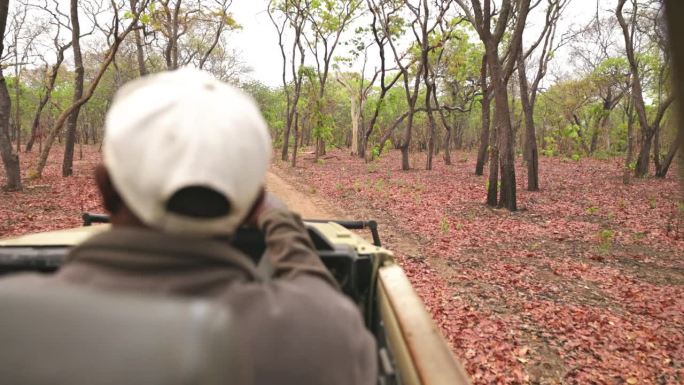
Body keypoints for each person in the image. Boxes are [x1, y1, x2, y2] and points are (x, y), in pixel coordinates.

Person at [24, 69, 377, 384]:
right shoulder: (321, 336)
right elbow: (319, 297)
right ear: (250, 204)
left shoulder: (17, 323)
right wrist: (279, 219)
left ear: (105, 187)